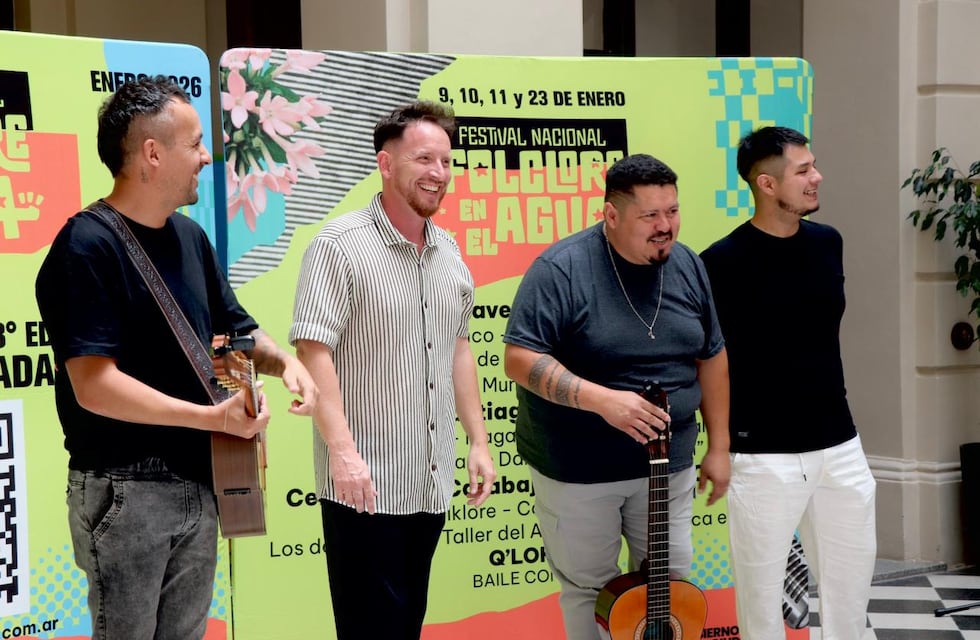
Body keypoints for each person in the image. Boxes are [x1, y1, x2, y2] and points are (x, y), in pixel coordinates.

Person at [33, 76, 317, 640]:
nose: (207, 158)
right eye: (194, 144)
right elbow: (94, 384)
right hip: (123, 491)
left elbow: (236, 330)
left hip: (199, 482)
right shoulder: (85, 246)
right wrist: (212, 418)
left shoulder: (190, 238)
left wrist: (286, 363)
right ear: (152, 153)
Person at [289, 100, 496, 640]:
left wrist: (478, 441)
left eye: (447, 161)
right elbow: (315, 352)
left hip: (429, 482)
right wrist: (343, 454)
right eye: (424, 158)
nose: (438, 173)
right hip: (365, 486)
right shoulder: (339, 245)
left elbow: (459, 349)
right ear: (385, 164)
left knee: (405, 627)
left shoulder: (449, 252)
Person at [502, 153, 731, 640]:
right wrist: (603, 401)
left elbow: (711, 355)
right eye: (651, 215)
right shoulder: (561, 269)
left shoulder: (688, 265)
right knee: (592, 589)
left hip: (670, 463)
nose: (666, 226)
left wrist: (720, 446)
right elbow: (520, 358)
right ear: (610, 215)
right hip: (579, 468)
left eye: (672, 211)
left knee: (668, 585)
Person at [700, 126, 877, 640]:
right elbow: (713, 362)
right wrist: (721, 445)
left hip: (841, 446)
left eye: (813, 165)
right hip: (763, 457)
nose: (816, 177)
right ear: (766, 184)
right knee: (760, 605)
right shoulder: (721, 262)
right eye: (803, 170)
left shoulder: (828, 244)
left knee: (850, 593)